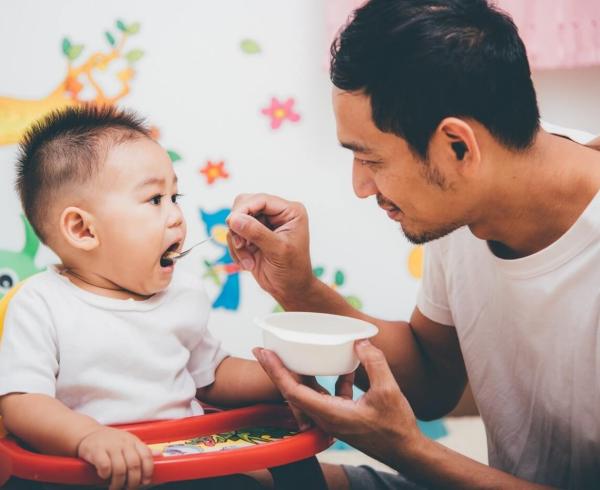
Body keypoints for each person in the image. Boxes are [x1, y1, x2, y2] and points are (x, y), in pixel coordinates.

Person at [225, 0, 600, 488]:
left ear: (458, 147)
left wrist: (404, 448)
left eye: (371, 160)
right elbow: (431, 380)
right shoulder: (474, 191)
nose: (361, 187)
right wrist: (299, 289)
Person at [0, 105, 280, 490]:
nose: (177, 216)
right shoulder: (40, 304)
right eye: (154, 200)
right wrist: (88, 438)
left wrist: (283, 375)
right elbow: (22, 404)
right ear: (82, 229)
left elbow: (211, 376)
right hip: (83, 474)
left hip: (183, 463)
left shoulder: (184, 294)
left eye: (174, 195)